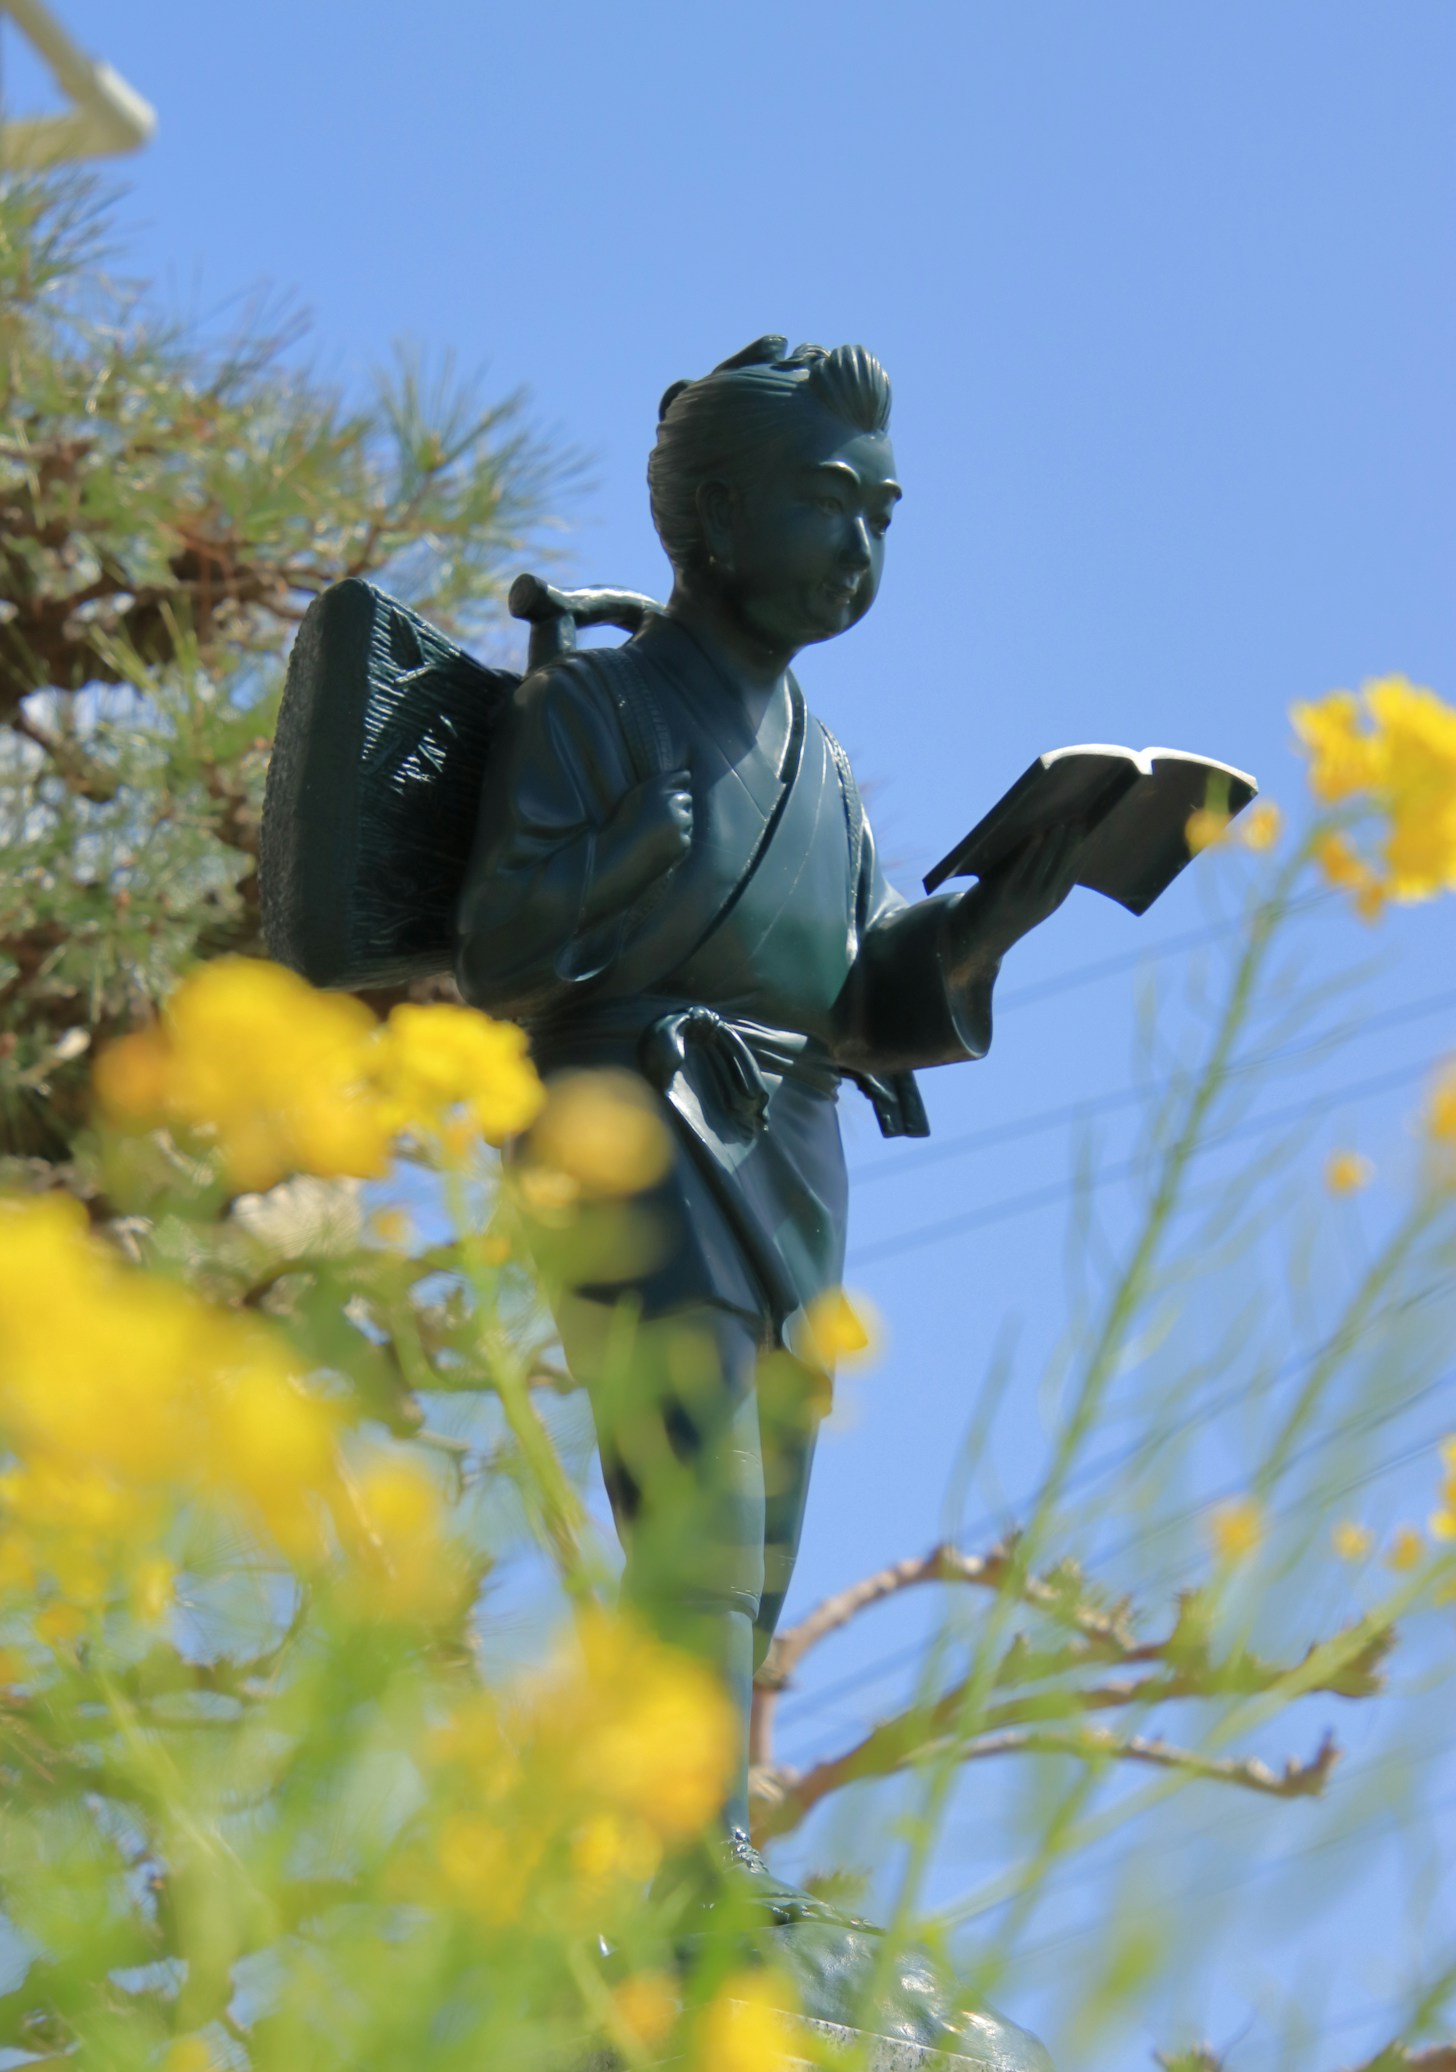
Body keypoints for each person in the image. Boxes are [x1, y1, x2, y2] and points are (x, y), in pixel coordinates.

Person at [456, 336, 1077, 1863]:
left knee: (765, 1531)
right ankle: (685, 1863)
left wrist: (998, 912)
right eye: (827, 505)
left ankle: (699, 1841)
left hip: (789, 1150)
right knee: (701, 1508)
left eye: (882, 514)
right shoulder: (598, 714)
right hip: (638, 1115)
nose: (860, 546)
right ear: (716, 517)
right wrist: (624, 859)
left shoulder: (833, 771)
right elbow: (498, 950)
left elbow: (858, 997)